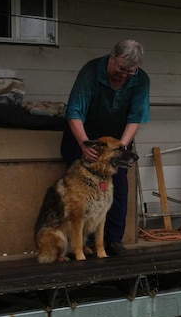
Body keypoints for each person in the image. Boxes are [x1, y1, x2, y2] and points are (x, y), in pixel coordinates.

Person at [61, 39, 150, 256]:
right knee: (80, 192)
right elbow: (74, 111)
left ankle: (113, 240)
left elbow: (135, 117)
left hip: (118, 140)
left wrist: (121, 148)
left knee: (117, 189)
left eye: (131, 71)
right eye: (120, 69)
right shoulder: (91, 72)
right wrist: (84, 143)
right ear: (112, 57)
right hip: (84, 135)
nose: (124, 75)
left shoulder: (141, 80)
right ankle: (83, 243)